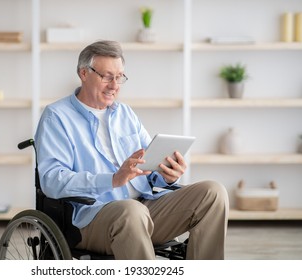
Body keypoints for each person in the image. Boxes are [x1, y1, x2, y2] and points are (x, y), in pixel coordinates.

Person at [35, 40, 229, 260]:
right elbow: (51, 181)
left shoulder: (125, 113)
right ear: (83, 73)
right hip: (91, 219)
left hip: (145, 208)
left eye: (119, 77)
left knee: (213, 192)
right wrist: (112, 179)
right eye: (107, 76)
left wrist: (166, 175)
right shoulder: (57, 117)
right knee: (131, 211)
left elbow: (148, 165)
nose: (114, 85)